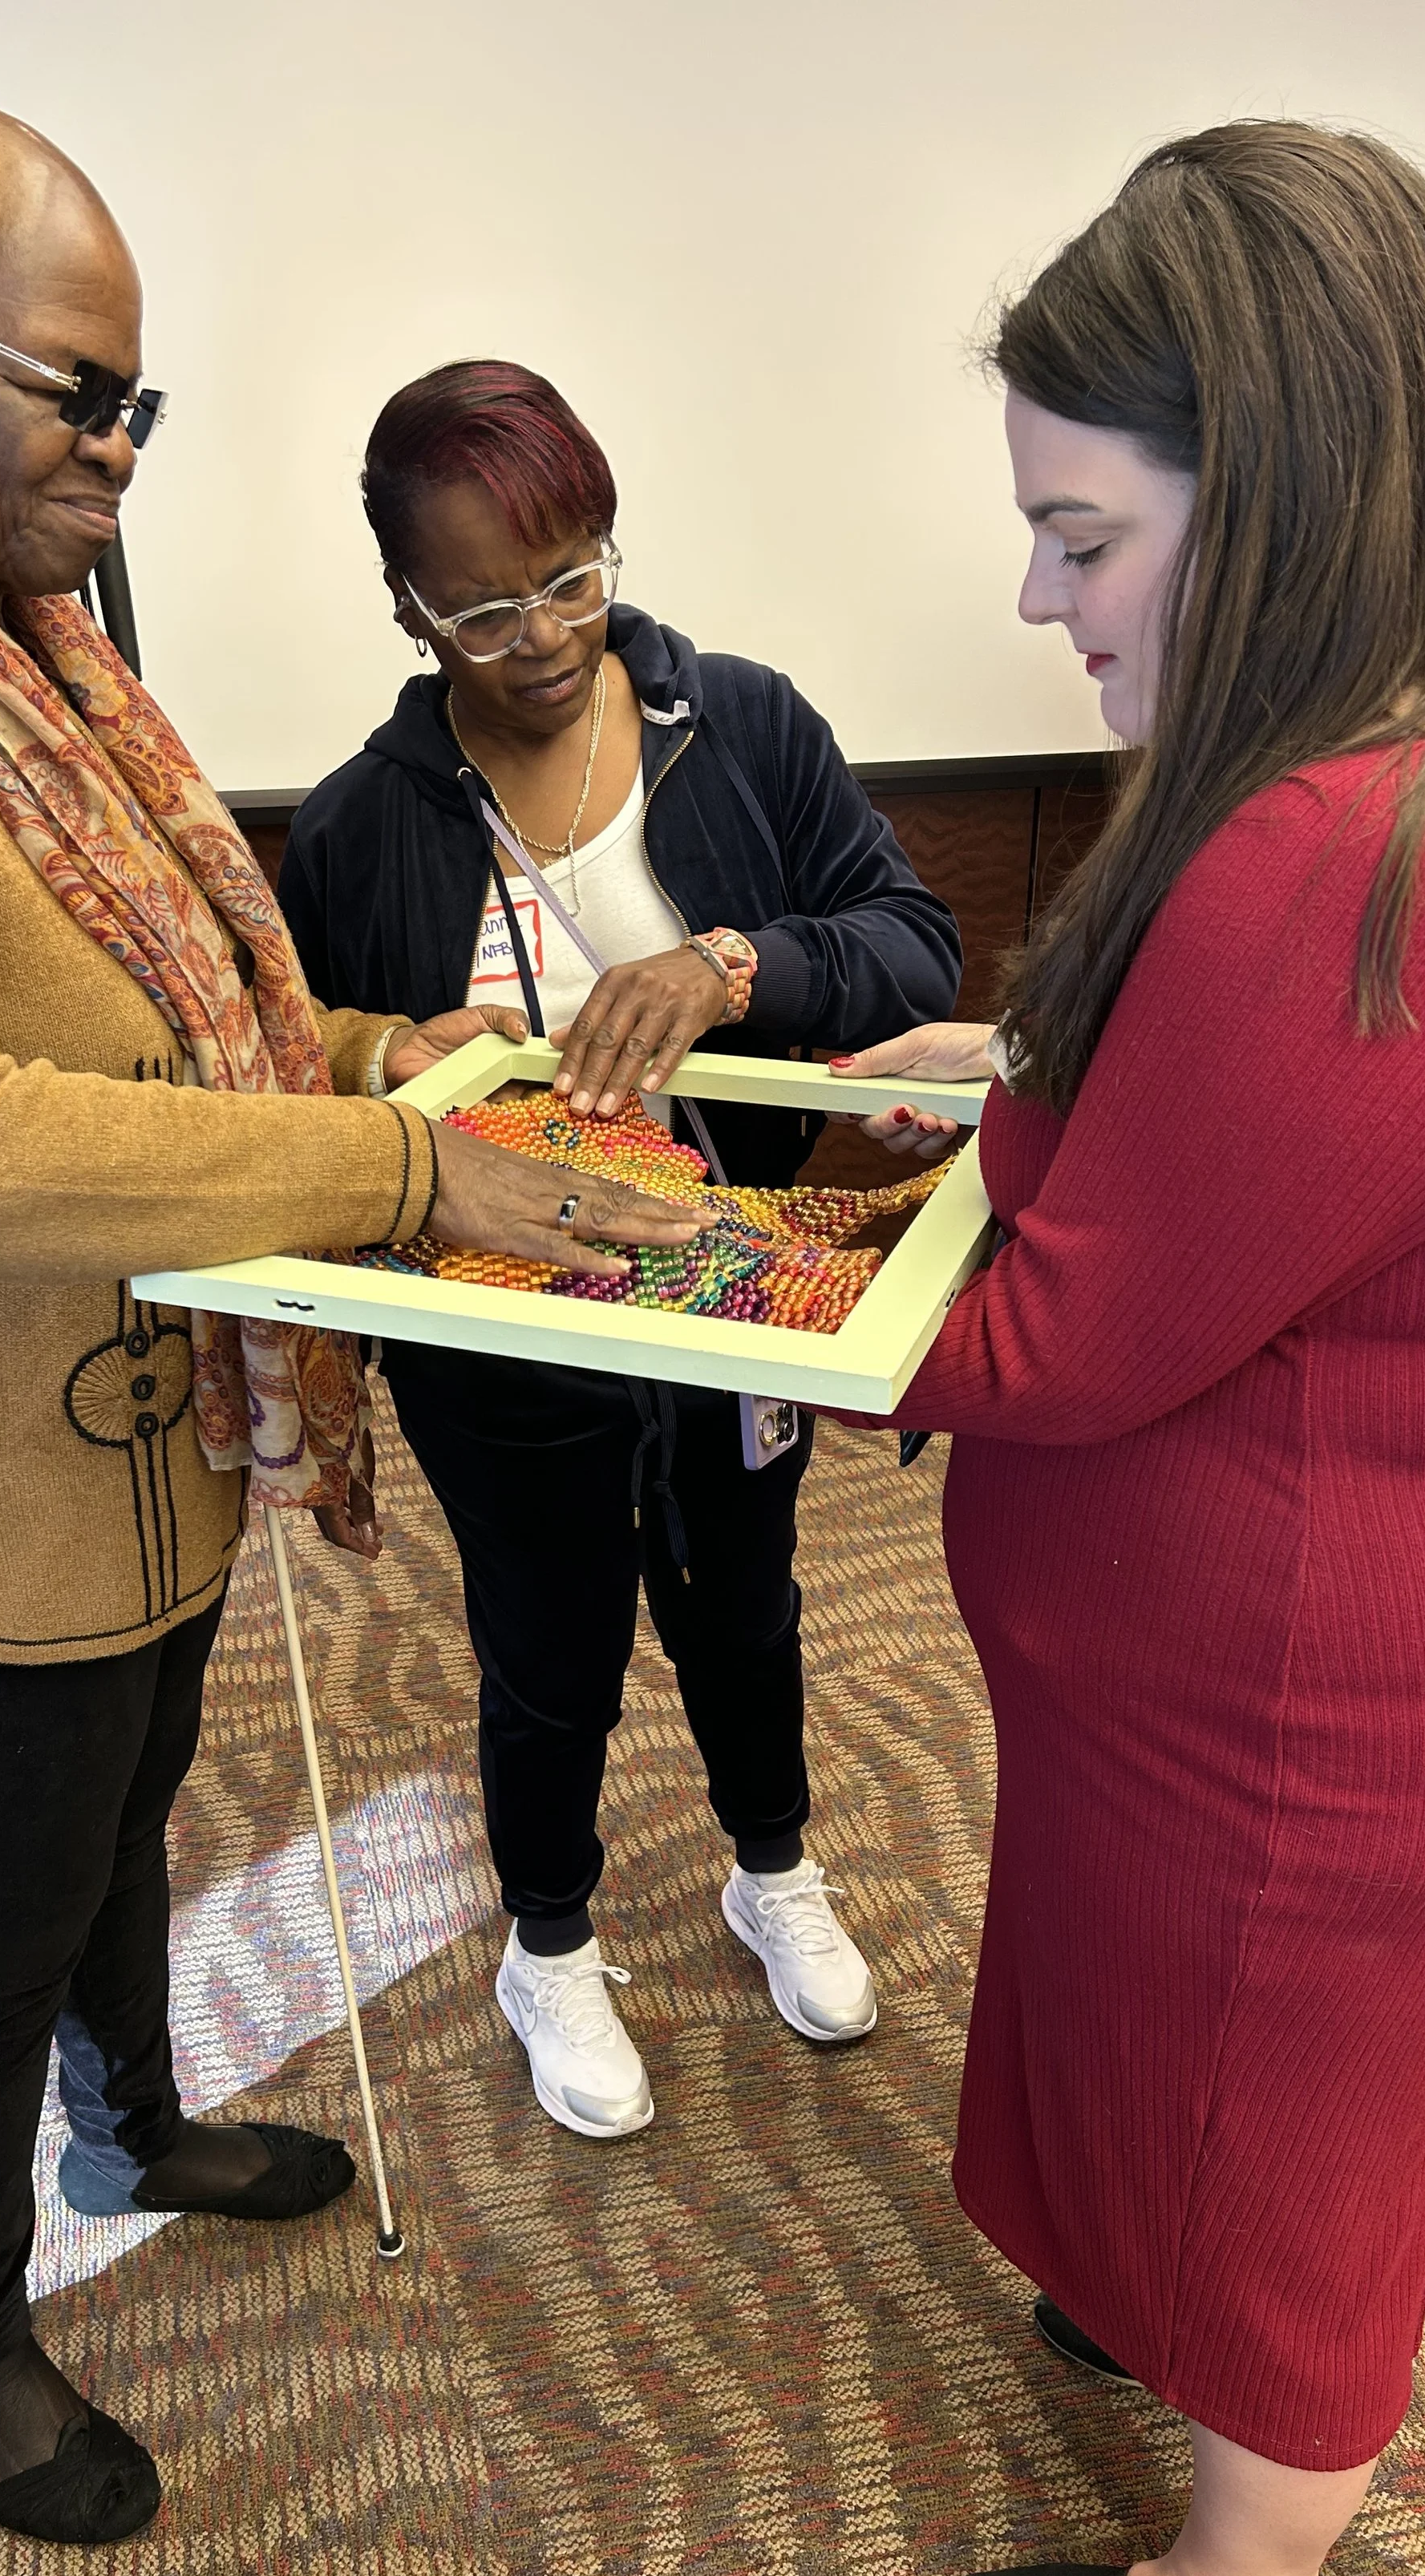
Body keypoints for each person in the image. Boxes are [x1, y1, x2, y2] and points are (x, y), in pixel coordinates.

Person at [0, 107, 701, 2547]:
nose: (114, 452)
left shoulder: (24, 652)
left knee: (125, 1818)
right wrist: (398, 1164)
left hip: (142, 1429)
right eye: (71, 393)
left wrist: (353, 1054)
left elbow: (170, 1024)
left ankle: (135, 2114)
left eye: (140, 408)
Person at [831, 123, 1425, 2576]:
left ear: (1288, 490)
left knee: (1289, 2135)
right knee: (1175, 2050)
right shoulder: (1408, 754)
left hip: (1306, 1714)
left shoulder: (1369, 848)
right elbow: (1163, 1144)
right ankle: (1145, 2323)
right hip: (1261, 1679)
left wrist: (727, 1310)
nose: (1036, 598)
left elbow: (1064, 1324)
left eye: (1083, 537)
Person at [280, 362, 963, 2139]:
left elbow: (911, 942)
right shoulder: (362, 823)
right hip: (494, 1322)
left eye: (575, 574)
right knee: (547, 1635)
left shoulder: (735, 724)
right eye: (486, 605)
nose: (543, 634)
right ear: (406, 608)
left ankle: (769, 1864)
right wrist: (387, 1048)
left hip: (731, 1287)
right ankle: (551, 1944)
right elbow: (295, 1053)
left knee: (742, 1599)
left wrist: (739, 964)